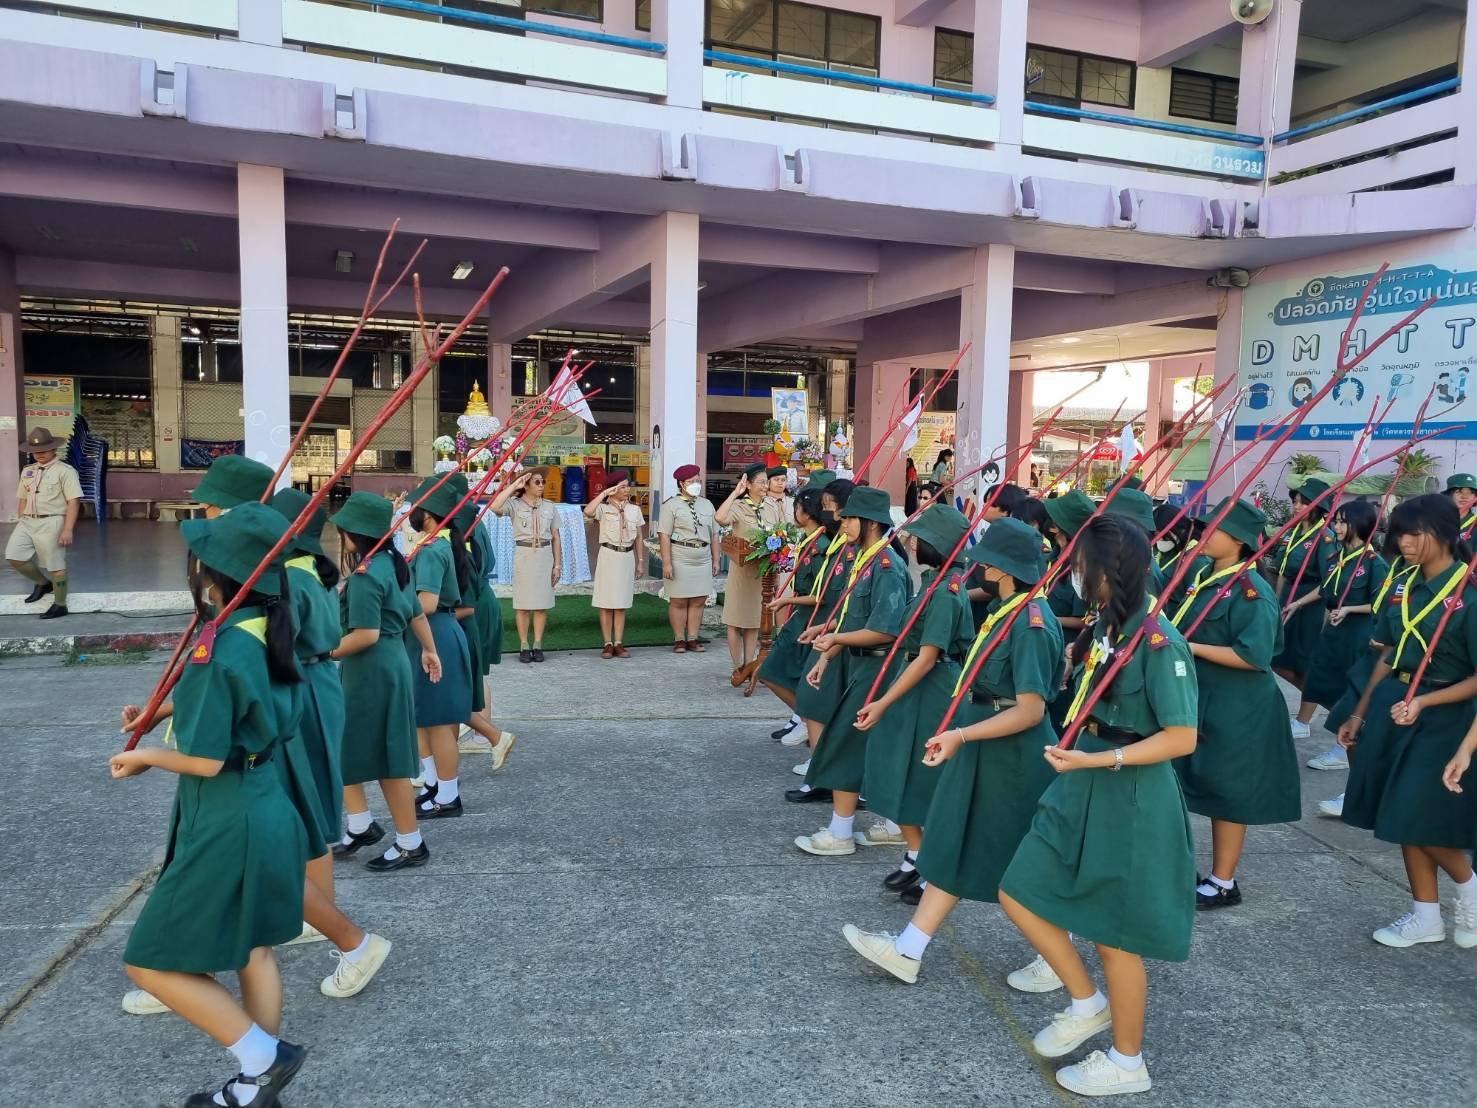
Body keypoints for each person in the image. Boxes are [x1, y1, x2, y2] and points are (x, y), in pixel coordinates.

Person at [109, 504, 311, 1108]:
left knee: (149, 962)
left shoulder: (215, 648)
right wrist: (166, 713)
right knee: (253, 948)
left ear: (212, 574)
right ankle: (255, 1088)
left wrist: (145, 755)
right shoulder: (265, 627)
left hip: (226, 814)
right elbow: (246, 706)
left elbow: (203, 761)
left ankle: (262, 1059)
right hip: (267, 800)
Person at [997, 515, 1199, 1098]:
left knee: (1116, 937)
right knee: (1020, 889)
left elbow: (1181, 737)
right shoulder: (1110, 627)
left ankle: (1127, 1062)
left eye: (1081, 562)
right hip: (1081, 776)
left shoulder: (1160, 641)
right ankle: (1087, 1002)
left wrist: (1098, 762)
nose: (1073, 570)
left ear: (1111, 570)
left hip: (1128, 791)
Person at [845, 515, 1056, 983]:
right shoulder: (1008, 612)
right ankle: (908, 948)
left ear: (1002, 569)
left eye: (986, 561)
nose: (977, 567)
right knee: (954, 841)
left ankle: (1056, 961)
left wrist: (960, 735)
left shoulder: (1030, 622)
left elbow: (1030, 711)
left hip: (1012, 755)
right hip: (985, 740)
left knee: (1025, 856)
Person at [1338, 493, 1477, 949]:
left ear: (1445, 534)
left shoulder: (1468, 592)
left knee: (1413, 810)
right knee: (1396, 814)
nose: (1405, 542)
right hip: (1397, 703)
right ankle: (1425, 916)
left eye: (1415, 533)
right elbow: (1386, 654)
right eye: (1400, 533)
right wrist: (1359, 711)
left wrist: (1426, 703)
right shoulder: (1404, 584)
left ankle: (1470, 887)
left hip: (1445, 711)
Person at [1166, 498, 1300, 910]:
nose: (1203, 534)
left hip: (1239, 705)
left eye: (1213, 529)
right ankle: (1181, 868)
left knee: (1228, 791)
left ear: (1239, 540)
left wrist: (1188, 646)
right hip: (1201, 695)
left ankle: (1224, 881)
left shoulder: (1251, 590)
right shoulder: (1203, 575)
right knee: (1186, 782)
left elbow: (1254, 656)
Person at [850, 503, 977, 877]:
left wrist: (884, 702)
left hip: (930, 687)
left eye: (918, 538)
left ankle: (926, 861)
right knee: (895, 769)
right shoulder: (936, 581)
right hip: (915, 683)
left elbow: (926, 657)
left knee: (919, 777)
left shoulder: (945, 593)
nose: (911, 542)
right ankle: (917, 854)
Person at [793, 486, 910, 856]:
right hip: (857, 662)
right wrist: (827, 637)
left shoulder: (887, 565)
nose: (840, 524)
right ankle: (894, 824)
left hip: (877, 668)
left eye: (847, 518)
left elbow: (886, 629)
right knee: (872, 751)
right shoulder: (865, 559)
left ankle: (840, 833)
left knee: (844, 746)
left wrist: (835, 638)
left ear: (870, 523)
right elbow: (853, 615)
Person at [330, 492, 441, 872]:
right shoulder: (394, 564)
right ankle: (361, 823)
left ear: (352, 534)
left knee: (386, 757)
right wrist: (430, 650)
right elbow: (416, 615)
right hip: (391, 664)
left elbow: (365, 634)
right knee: (362, 748)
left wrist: (319, 654)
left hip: (370, 670)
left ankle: (410, 842)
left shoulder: (366, 575)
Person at [1290, 501, 1388, 774]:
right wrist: (1297, 603)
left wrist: (1349, 609)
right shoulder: (1337, 558)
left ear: (1360, 524)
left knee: (1349, 691)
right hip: (1334, 631)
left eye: (1344, 521)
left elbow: (1379, 602)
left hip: (1357, 633)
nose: (1337, 526)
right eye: (1337, 521)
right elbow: (1326, 589)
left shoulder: (1373, 563)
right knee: (1324, 684)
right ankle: (1343, 738)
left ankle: (1342, 749)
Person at [402, 477, 475, 817]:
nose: (411, 513)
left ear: (428, 514)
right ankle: (435, 785)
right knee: (427, 717)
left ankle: (447, 796)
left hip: (435, 633)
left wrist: (391, 606)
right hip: (438, 632)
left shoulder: (432, 551)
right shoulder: (439, 544)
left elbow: (426, 603)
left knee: (440, 722)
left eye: (416, 507)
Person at [785, 479, 859, 792]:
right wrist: (824, 630)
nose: (831, 516)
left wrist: (831, 639)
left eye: (835, 510)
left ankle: (829, 777)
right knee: (813, 700)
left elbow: (863, 613)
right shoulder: (841, 547)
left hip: (852, 645)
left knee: (824, 705)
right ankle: (823, 771)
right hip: (833, 633)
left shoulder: (873, 560)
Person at [757, 484, 829, 737]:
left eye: (797, 506)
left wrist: (787, 602)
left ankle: (808, 721)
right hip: (801, 614)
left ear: (807, 512)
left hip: (811, 619)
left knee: (774, 671)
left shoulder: (820, 546)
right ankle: (804, 720)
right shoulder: (808, 540)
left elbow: (822, 594)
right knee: (775, 672)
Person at [1270, 477, 1337, 738]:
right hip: (1288, 599)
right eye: (1295, 501)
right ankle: (1316, 696)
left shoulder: (1325, 537)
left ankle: (1304, 719)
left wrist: (1300, 604)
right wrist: (1277, 603)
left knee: (1305, 662)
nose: (1297, 507)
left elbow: (1328, 581)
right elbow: (1282, 573)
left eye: (1303, 502)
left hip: (1309, 603)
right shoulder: (1292, 533)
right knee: (1280, 659)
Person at [7, 425, 82, 619]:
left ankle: (60, 604)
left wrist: (68, 529)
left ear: (53, 449)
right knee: (14, 556)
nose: (39, 454)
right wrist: (21, 516)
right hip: (27, 521)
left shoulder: (65, 471)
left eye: (43, 450)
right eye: (34, 451)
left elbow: (73, 501)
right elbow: (22, 496)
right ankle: (42, 584)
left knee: (56, 565)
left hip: (52, 522)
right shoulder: (28, 471)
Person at [489, 468, 561, 663]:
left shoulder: (549, 506)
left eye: (543, 482)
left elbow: (556, 537)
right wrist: (514, 485)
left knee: (541, 604)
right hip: (524, 554)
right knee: (522, 605)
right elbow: (494, 506)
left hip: (544, 555)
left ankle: (537, 644)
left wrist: (557, 565)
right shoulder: (514, 504)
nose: (541, 486)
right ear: (526, 484)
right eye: (537, 482)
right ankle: (523, 644)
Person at [716, 462, 778, 681]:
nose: (764, 486)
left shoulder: (771, 506)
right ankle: (736, 665)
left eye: (765, 482)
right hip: (742, 570)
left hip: (763, 573)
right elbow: (720, 518)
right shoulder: (739, 507)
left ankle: (749, 663)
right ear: (748, 484)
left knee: (753, 621)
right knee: (735, 619)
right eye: (760, 482)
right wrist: (735, 493)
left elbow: (780, 533)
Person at [657, 463, 720, 652]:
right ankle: (679, 639)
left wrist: (716, 559)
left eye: (698, 480)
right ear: (681, 484)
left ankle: (693, 637)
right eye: (692, 481)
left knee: (699, 599)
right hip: (680, 556)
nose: (696, 484)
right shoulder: (671, 505)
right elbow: (664, 535)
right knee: (678, 600)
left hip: (702, 557)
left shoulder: (706, 504)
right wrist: (667, 563)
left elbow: (715, 534)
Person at [586, 468, 645, 658]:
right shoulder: (603, 508)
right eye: (623, 487)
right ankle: (607, 643)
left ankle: (619, 642)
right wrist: (604, 493)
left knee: (621, 602)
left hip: (626, 556)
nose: (627, 490)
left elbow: (639, 538)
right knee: (606, 601)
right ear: (613, 489)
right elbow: (588, 511)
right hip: (608, 554)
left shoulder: (634, 510)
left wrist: (640, 561)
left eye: (628, 486)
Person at [1444, 472, 1477, 545]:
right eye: (1458, 492)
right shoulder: (1437, 521)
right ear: (1449, 495)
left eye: (1470, 492)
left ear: (1475, 498)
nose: (1464, 496)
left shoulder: (1475, 524)